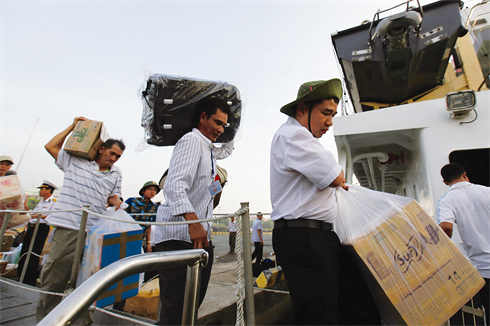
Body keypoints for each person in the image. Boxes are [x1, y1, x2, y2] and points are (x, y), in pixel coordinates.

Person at [270, 79, 350, 326]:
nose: (330, 122)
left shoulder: (298, 137)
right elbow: (337, 177)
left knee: (321, 309)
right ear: (302, 109)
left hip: (308, 236)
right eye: (325, 113)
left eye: (333, 115)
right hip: (305, 237)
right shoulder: (294, 135)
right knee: (318, 314)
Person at [154, 96, 234, 326]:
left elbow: (225, 152)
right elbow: (174, 184)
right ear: (202, 117)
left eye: (224, 125)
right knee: (176, 310)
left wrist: (234, 128)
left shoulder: (208, 149)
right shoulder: (191, 141)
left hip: (199, 238)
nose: (220, 129)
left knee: (191, 305)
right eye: (217, 123)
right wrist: (193, 222)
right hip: (180, 237)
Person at [36, 116, 125, 324]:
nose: (113, 159)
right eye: (112, 153)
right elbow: (50, 146)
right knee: (54, 279)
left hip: (94, 234)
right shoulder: (74, 161)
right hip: (69, 228)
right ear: (101, 149)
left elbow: (114, 197)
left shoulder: (116, 173)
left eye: (118, 157)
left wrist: (117, 202)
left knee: (87, 283)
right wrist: (73, 126)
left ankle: (81, 322)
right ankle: (48, 321)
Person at [437, 163, 490, 323]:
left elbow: (446, 227)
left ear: (445, 182)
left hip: (483, 269)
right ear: (465, 175)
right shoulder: (487, 191)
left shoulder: (447, 200)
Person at [17, 180, 58, 286]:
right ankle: (21, 275)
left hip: (41, 228)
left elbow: (54, 216)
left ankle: (30, 278)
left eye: (42, 189)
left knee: (34, 252)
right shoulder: (41, 202)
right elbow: (33, 216)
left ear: (49, 190)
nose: (40, 191)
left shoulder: (53, 202)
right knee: (25, 250)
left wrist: (40, 216)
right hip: (32, 226)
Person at [125, 181, 161, 253]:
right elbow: (121, 217)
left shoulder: (154, 207)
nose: (152, 191)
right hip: (127, 237)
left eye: (154, 190)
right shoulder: (132, 201)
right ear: (143, 191)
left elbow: (149, 226)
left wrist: (148, 243)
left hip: (140, 239)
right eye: (150, 189)